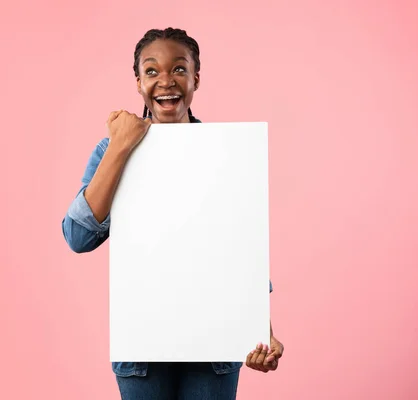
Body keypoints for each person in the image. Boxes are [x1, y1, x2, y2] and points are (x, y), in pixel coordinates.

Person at [62, 27, 284, 400]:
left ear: (197, 77)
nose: (166, 81)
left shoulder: (225, 154)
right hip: (143, 345)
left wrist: (261, 332)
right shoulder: (110, 151)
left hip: (214, 343)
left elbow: (242, 252)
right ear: (137, 83)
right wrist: (122, 146)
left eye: (179, 69)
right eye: (151, 71)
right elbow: (78, 237)